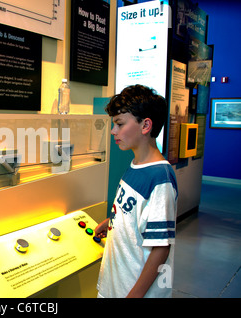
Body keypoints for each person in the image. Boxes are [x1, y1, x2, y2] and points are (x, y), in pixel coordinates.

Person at [95, 84, 178, 298]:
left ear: (145, 125)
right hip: (114, 285)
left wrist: (134, 295)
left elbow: (161, 248)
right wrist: (111, 223)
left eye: (119, 124)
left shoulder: (160, 178)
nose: (114, 131)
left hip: (134, 291)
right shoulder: (135, 165)